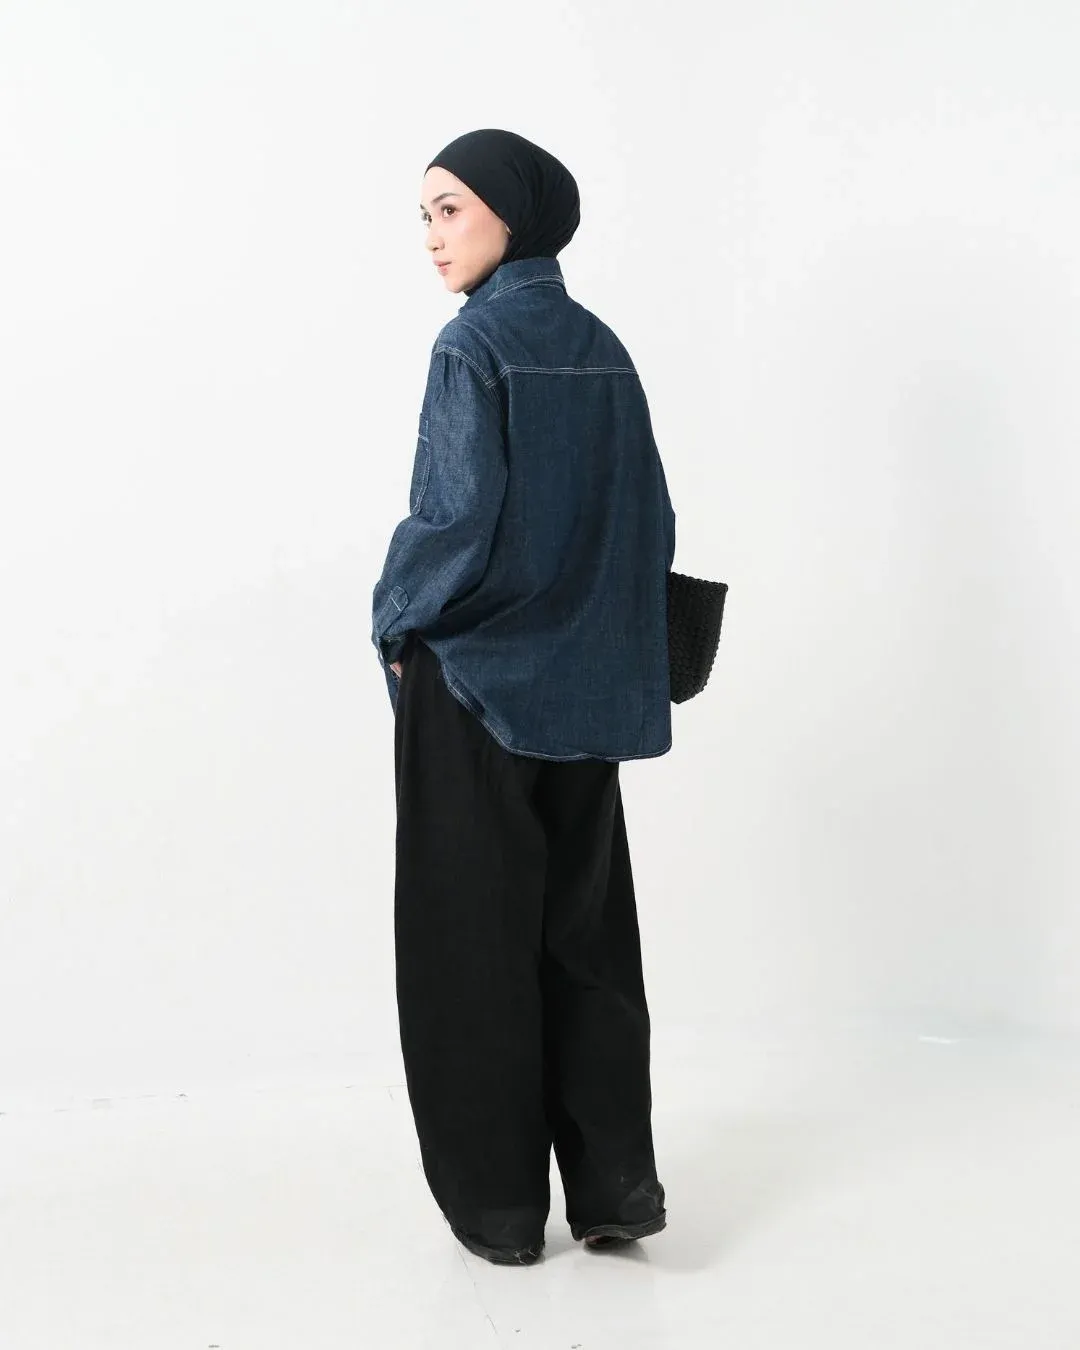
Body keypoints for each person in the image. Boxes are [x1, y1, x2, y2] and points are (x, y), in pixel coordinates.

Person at [370, 128, 675, 1266]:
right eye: (425, 215)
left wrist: (394, 623)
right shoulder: (604, 349)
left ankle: (499, 1212)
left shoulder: (476, 346)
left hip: (477, 691)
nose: (433, 237)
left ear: (513, 214)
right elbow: (650, 519)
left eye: (451, 209)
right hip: (585, 695)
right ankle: (615, 1190)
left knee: (469, 948)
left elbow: (453, 521)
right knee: (585, 942)